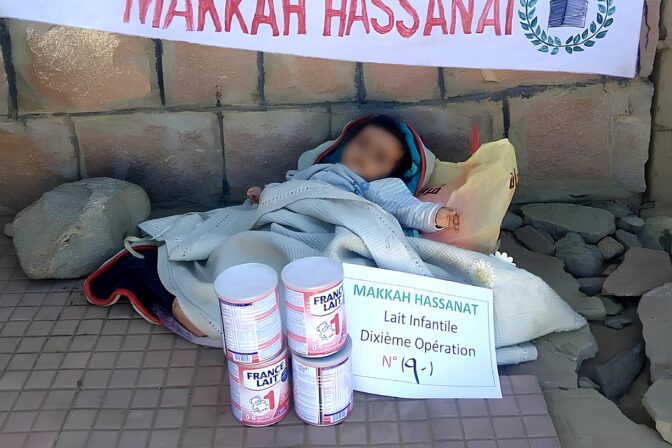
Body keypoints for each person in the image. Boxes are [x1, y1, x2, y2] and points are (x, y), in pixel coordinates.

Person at [246, 114, 461, 233]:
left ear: (391, 172)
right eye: (362, 144)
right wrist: (267, 194)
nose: (365, 155)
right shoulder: (318, 170)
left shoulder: (378, 187)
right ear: (347, 143)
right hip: (296, 218)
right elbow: (292, 189)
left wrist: (435, 215)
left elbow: (406, 208)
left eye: (379, 157)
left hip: (332, 229)